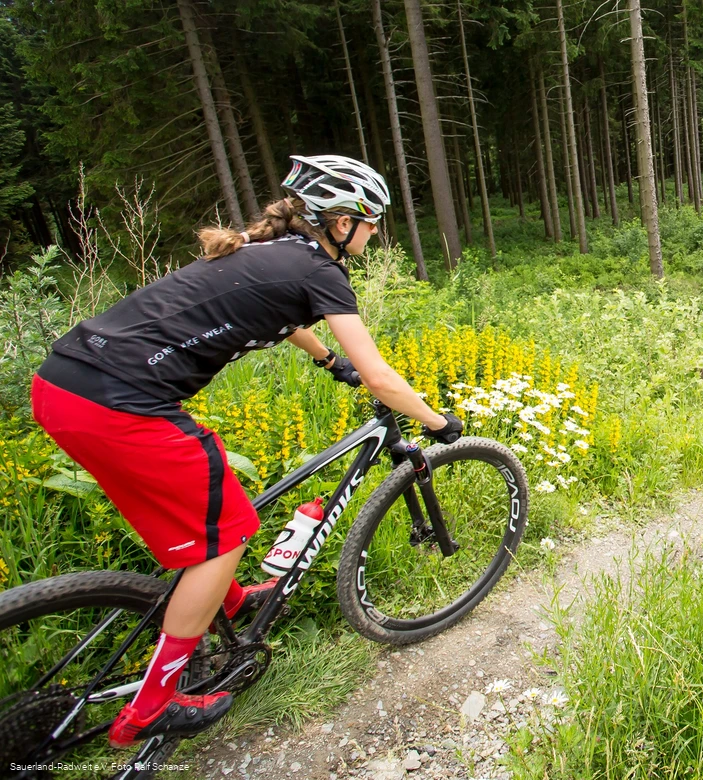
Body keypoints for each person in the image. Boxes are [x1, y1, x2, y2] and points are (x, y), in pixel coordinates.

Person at [30, 155, 462, 748]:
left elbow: (280, 316)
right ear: (340, 223)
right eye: (370, 222)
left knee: (208, 516)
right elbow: (383, 378)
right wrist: (439, 423)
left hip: (63, 386)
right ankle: (153, 705)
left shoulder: (266, 256)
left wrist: (325, 360)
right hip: (121, 402)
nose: (374, 232)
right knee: (228, 532)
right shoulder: (322, 274)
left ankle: (227, 604)